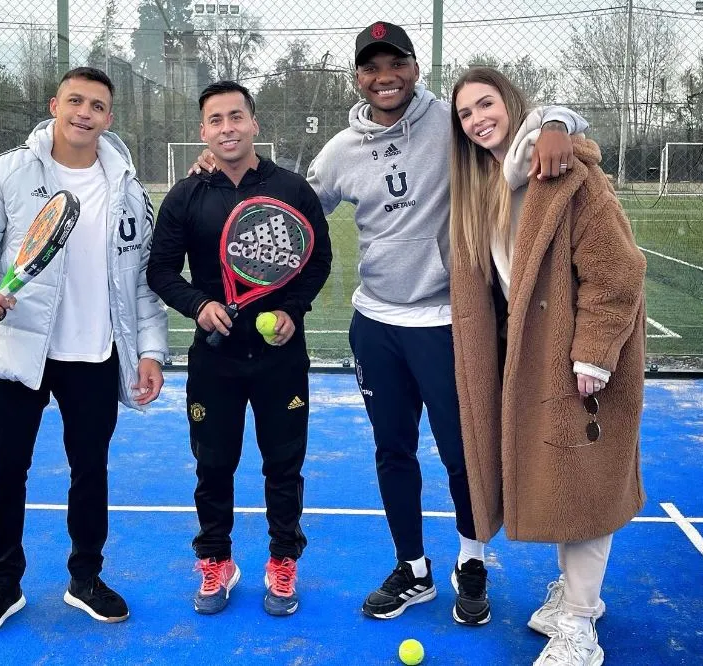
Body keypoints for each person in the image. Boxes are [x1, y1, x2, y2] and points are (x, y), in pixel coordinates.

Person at [191, 22, 587, 625]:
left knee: (463, 453)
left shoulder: (449, 121)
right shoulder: (342, 149)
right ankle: (413, 569)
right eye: (371, 68)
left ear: (413, 67)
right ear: (358, 77)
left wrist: (559, 123)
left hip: (450, 320)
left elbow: (511, 117)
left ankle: (471, 562)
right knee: (393, 451)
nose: (385, 77)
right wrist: (221, 168)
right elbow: (289, 209)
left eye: (395, 63)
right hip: (376, 322)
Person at [0, 67, 168, 637]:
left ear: (109, 118)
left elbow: (142, 280)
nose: (84, 113)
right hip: (19, 353)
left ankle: (85, 577)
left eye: (97, 105)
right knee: (6, 472)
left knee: (90, 470)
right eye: (75, 101)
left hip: (95, 356)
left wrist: (149, 351)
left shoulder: (129, 191)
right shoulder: (8, 172)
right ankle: (4, 583)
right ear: (55, 105)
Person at [448, 66, 646, 665]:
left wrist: (594, 352)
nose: (479, 119)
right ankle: (575, 594)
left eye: (487, 104)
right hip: (534, 359)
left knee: (584, 483)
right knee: (560, 475)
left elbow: (618, 270)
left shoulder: (565, 173)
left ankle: (581, 625)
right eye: (466, 114)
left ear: (511, 104)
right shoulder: (488, 184)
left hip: (584, 359)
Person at [147, 81, 332, 617]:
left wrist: (293, 312)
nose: (226, 128)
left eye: (236, 117)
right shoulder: (186, 195)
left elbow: (316, 263)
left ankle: (282, 560)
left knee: (283, 465)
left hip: (280, 361)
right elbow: (160, 269)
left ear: (254, 124)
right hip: (215, 360)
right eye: (215, 120)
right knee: (213, 465)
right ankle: (216, 560)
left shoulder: (293, 190)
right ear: (203, 131)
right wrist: (197, 305)